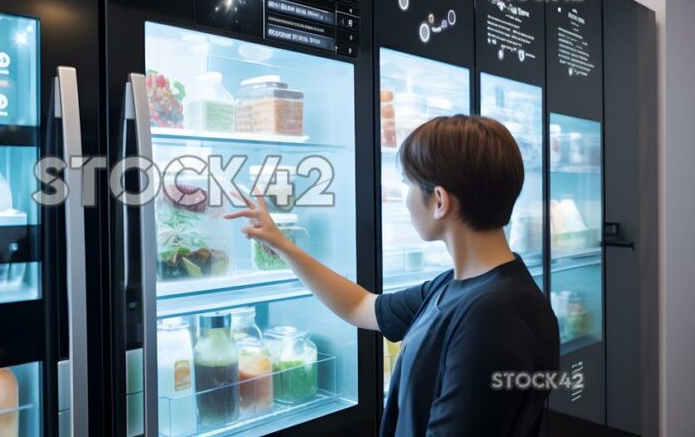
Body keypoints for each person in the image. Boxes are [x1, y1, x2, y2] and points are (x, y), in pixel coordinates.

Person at [226, 115, 559, 437]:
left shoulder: (491, 317)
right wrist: (282, 244)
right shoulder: (461, 286)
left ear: (440, 201)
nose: (406, 199)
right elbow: (361, 305)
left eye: (407, 184)